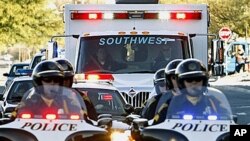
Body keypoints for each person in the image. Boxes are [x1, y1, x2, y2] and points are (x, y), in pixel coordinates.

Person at [16, 60, 81, 116]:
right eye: (47, 80)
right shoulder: (28, 104)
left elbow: (84, 122)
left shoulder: (69, 103)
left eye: (56, 80)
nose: (52, 84)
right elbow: (13, 123)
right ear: (38, 83)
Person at [152, 59, 183, 124]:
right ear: (169, 80)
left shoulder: (207, 101)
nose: (177, 81)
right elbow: (154, 125)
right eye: (174, 78)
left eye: (181, 77)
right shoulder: (159, 101)